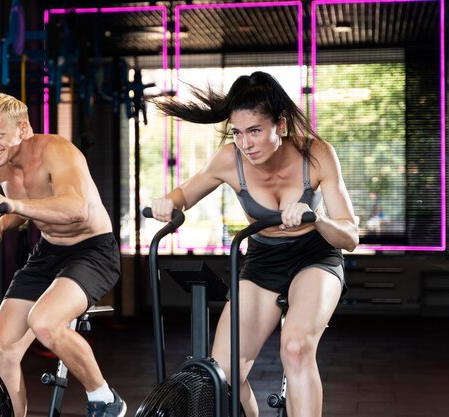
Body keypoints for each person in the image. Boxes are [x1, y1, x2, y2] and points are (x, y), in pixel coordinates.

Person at [149, 72, 358, 417]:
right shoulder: (230, 160)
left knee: (295, 348)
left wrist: (316, 218)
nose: (246, 143)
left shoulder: (316, 154)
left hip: (315, 254)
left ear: (281, 124)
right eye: (237, 132)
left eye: (255, 131)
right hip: (263, 261)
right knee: (223, 374)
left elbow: (350, 237)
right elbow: (184, 194)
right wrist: (167, 203)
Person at [0, 93, 126, 417]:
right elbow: (24, 209)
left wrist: (11, 207)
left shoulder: (56, 150)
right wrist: (0, 226)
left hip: (93, 250)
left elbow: (76, 209)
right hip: (48, 252)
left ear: (23, 129)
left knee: (45, 323)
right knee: (1, 350)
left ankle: (106, 399)